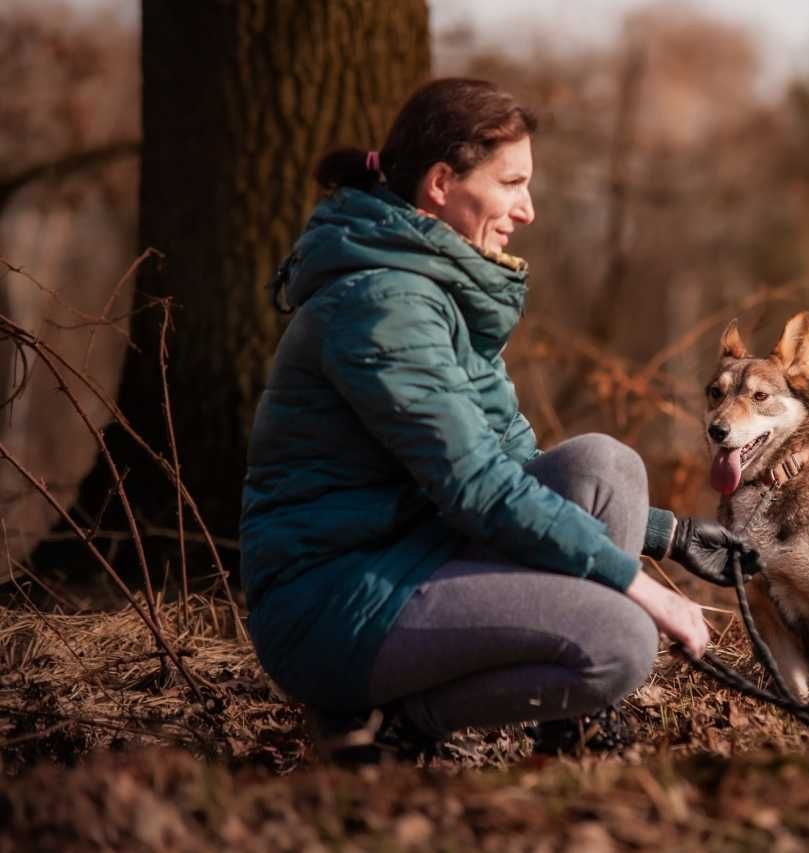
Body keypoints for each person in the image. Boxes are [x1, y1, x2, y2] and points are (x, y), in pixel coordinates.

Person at [239, 78, 762, 758]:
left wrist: (669, 532)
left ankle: (568, 729)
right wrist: (637, 585)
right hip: (335, 601)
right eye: (512, 182)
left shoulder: (435, 284)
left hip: (415, 554)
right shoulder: (381, 305)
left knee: (606, 466)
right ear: (439, 184)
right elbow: (478, 486)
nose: (529, 209)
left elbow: (514, 459)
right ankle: (390, 721)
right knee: (621, 640)